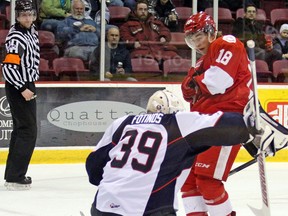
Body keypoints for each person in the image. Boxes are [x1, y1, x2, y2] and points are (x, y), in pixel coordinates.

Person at [86, 89, 256, 216]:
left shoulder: (122, 123)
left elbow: (93, 169)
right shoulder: (177, 123)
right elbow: (226, 126)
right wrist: (254, 127)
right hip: (150, 209)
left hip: (102, 206)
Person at [180, 12, 252, 216]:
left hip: (226, 121)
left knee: (208, 181)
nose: (196, 43)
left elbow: (218, 81)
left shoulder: (227, 43)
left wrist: (196, 84)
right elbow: (186, 93)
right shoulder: (201, 63)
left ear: (211, 32)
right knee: (188, 181)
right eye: (191, 39)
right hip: (202, 124)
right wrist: (196, 84)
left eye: (198, 36)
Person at [1, 0, 39, 190]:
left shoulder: (32, 32)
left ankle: (13, 174)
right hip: (19, 87)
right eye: (23, 15)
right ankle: (16, 177)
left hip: (27, 84)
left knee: (22, 130)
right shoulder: (16, 38)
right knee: (28, 131)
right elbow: (8, 68)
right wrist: (23, 87)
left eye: (30, 14)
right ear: (17, 17)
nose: (27, 18)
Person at [120, 0, 180, 68]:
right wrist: (133, 42)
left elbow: (165, 30)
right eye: (140, 9)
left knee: (175, 56)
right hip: (141, 51)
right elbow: (124, 36)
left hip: (160, 50)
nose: (143, 11)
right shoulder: (127, 25)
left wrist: (163, 36)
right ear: (135, 11)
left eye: (145, 9)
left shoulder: (155, 22)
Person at [232, 3, 282, 71]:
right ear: (245, 14)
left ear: (256, 14)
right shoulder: (239, 23)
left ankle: (270, 72)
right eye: (249, 11)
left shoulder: (257, 25)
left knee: (276, 52)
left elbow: (261, 40)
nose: (251, 13)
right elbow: (245, 39)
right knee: (262, 52)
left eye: (253, 12)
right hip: (246, 49)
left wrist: (267, 45)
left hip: (258, 49)